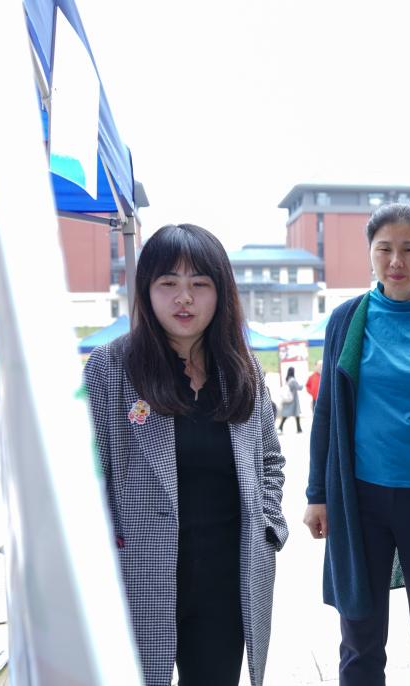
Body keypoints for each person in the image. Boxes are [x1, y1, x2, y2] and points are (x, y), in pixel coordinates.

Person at [83, 223, 288, 686]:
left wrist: (269, 525)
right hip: (139, 573)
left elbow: (270, 460)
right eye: (168, 283)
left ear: (221, 292)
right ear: (146, 290)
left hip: (227, 576)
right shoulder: (109, 367)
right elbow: (85, 476)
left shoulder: (242, 369)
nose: (184, 299)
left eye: (200, 284)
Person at [304, 202, 410, 686]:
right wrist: (317, 494)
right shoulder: (348, 319)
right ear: (369, 253)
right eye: (384, 249)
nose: (396, 261)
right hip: (361, 498)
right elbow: (327, 412)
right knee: (360, 634)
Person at [278, 366, 303, 433]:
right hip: (293, 400)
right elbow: (299, 388)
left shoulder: (288, 379)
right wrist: (302, 384)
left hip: (289, 400)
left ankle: (299, 428)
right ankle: (280, 427)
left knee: (291, 415)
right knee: (294, 414)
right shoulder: (293, 380)